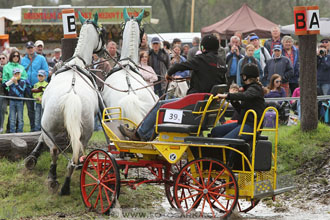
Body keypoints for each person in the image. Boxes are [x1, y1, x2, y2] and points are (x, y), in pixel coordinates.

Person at [119, 34, 227, 141]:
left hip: (194, 104)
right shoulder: (221, 62)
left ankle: (139, 134)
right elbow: (220, 82)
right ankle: (146, 135)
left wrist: (169, 73)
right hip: (206, 106)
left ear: (203, 47)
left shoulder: (202, 59)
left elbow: (180, 66)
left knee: (162, 105)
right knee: (165, 106)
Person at [211, 63, 266, 141]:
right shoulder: (250, 88)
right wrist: (234, 101)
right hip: (243, 122)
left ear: (245, 76)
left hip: (251, 126)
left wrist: (227, 96)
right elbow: (242, 111)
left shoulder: (255, 88)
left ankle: (227, 151)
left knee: (224, 141)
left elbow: (246, 95)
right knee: (215, 131)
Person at [21, 41, 49, 132]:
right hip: (28, 87)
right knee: (30, 109)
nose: (30, 50)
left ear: (34, 48)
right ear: (26, 49)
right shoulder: (23, 60)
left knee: (40, 108)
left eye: (31, 48)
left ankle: (42, 127)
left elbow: (46, 71)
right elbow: (21, 73)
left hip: (39, 87)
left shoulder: (41, 58)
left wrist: (41, 83)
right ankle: (33, 127)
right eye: (28, 48)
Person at [4, 68, 29, 133]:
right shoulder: (11, 81)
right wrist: (10, 81)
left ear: (20, 74)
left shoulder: (23, 81)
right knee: (12, 118)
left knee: (20, 118)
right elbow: (3, 85)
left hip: (20, 101)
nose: (17, 75)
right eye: (15, 74)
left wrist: (16, 83)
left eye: (18, 74)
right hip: (12, 101)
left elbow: (22, 90)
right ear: (13, 75)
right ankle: (12, 132)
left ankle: (20, 131)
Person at [0, 53, 8, 133]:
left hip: (5, 93)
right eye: (0, 58)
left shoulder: (8, 68)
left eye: (3, 58)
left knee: (2, 110)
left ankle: (2, 126)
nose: (1, 60)